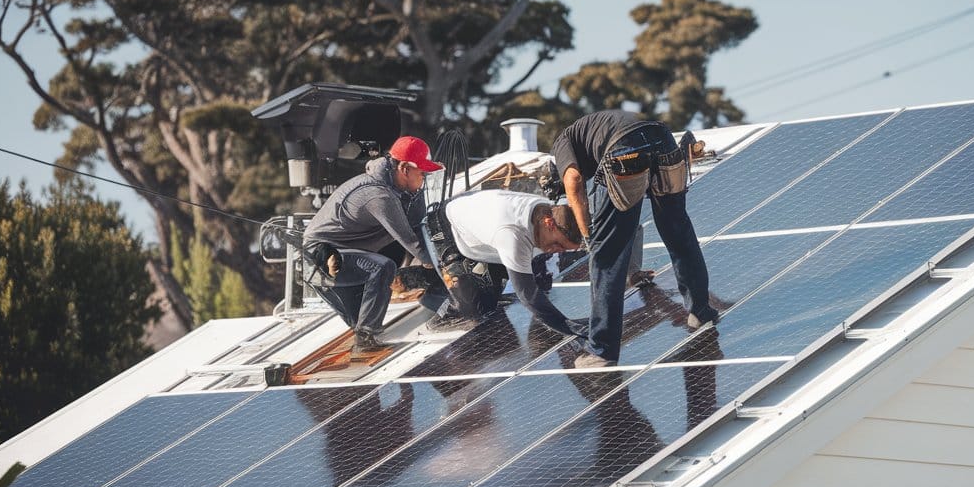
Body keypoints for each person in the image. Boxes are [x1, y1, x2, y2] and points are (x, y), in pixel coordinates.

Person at [551, 109, 718, 368]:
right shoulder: (593, 128)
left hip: (624, 151)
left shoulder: (562, 142)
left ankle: (601, 350)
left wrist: (587, 236)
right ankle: (700, 311)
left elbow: (573, 180)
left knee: (606, 256)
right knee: (678, 232)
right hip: (662, 138)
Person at [302, 135, 442, 353]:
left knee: (360, 317)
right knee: (382, 267)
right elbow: (412, 242)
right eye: (422, 173)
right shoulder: (378, 195)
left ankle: (365, 334)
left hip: (353, 255)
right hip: (323, 257)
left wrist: (437, 258)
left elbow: (420, 228)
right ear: (405, 169)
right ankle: (367, 340)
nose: (424, 179)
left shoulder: (410, 193)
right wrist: (447, 270)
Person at [428, 189, 587, 339]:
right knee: (476, 310)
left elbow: (538, 281)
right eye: (558, 244)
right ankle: (442, 311)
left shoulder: (547, 212)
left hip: (483, 219)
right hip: (449, 224)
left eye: (564, 249)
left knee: (527, 284)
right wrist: (570, 328)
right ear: (549, 223)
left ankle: (485, 280)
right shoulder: (511, 235)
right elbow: (528, 295)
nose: (557, 251)